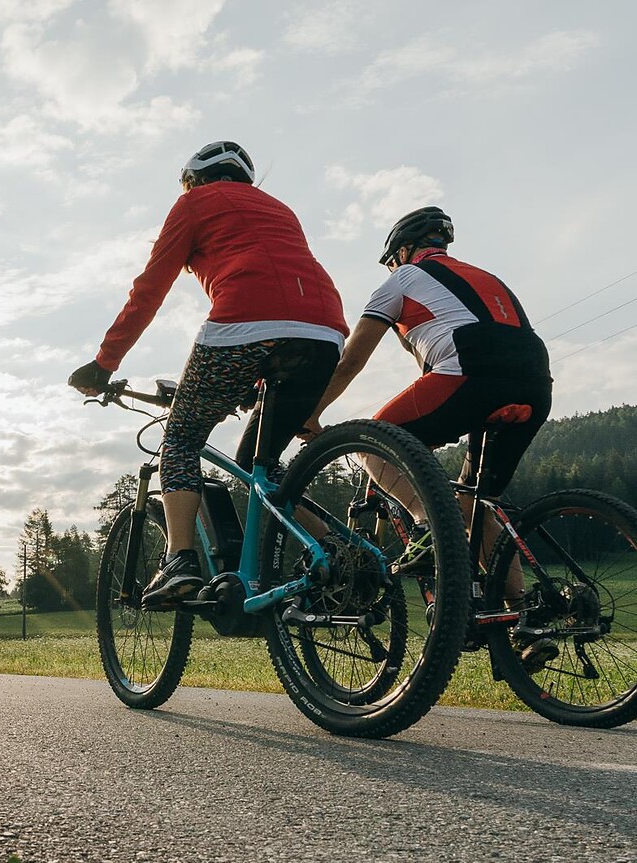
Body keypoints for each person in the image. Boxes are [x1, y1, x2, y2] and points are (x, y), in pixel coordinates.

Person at [68, 141, 347, 607]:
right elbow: (281, 284)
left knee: (181, 439)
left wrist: (104, 364)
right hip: (324, 330)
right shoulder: (279, 209)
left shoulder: (195, 202)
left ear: (194, 179)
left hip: (245, 323)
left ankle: (179, 561)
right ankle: (335, 549)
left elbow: (149, 290)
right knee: (259, 463)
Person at [304, 205, 555, 668]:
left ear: (403, 251)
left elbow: (351, 361)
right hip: (536, 381)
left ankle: (427, 527)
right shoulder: (486, 277)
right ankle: (523, 618)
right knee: (474, 504)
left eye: (391, 261)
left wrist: (312, 413)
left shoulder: (400, 280)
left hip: (471, 370)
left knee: (374, 441)